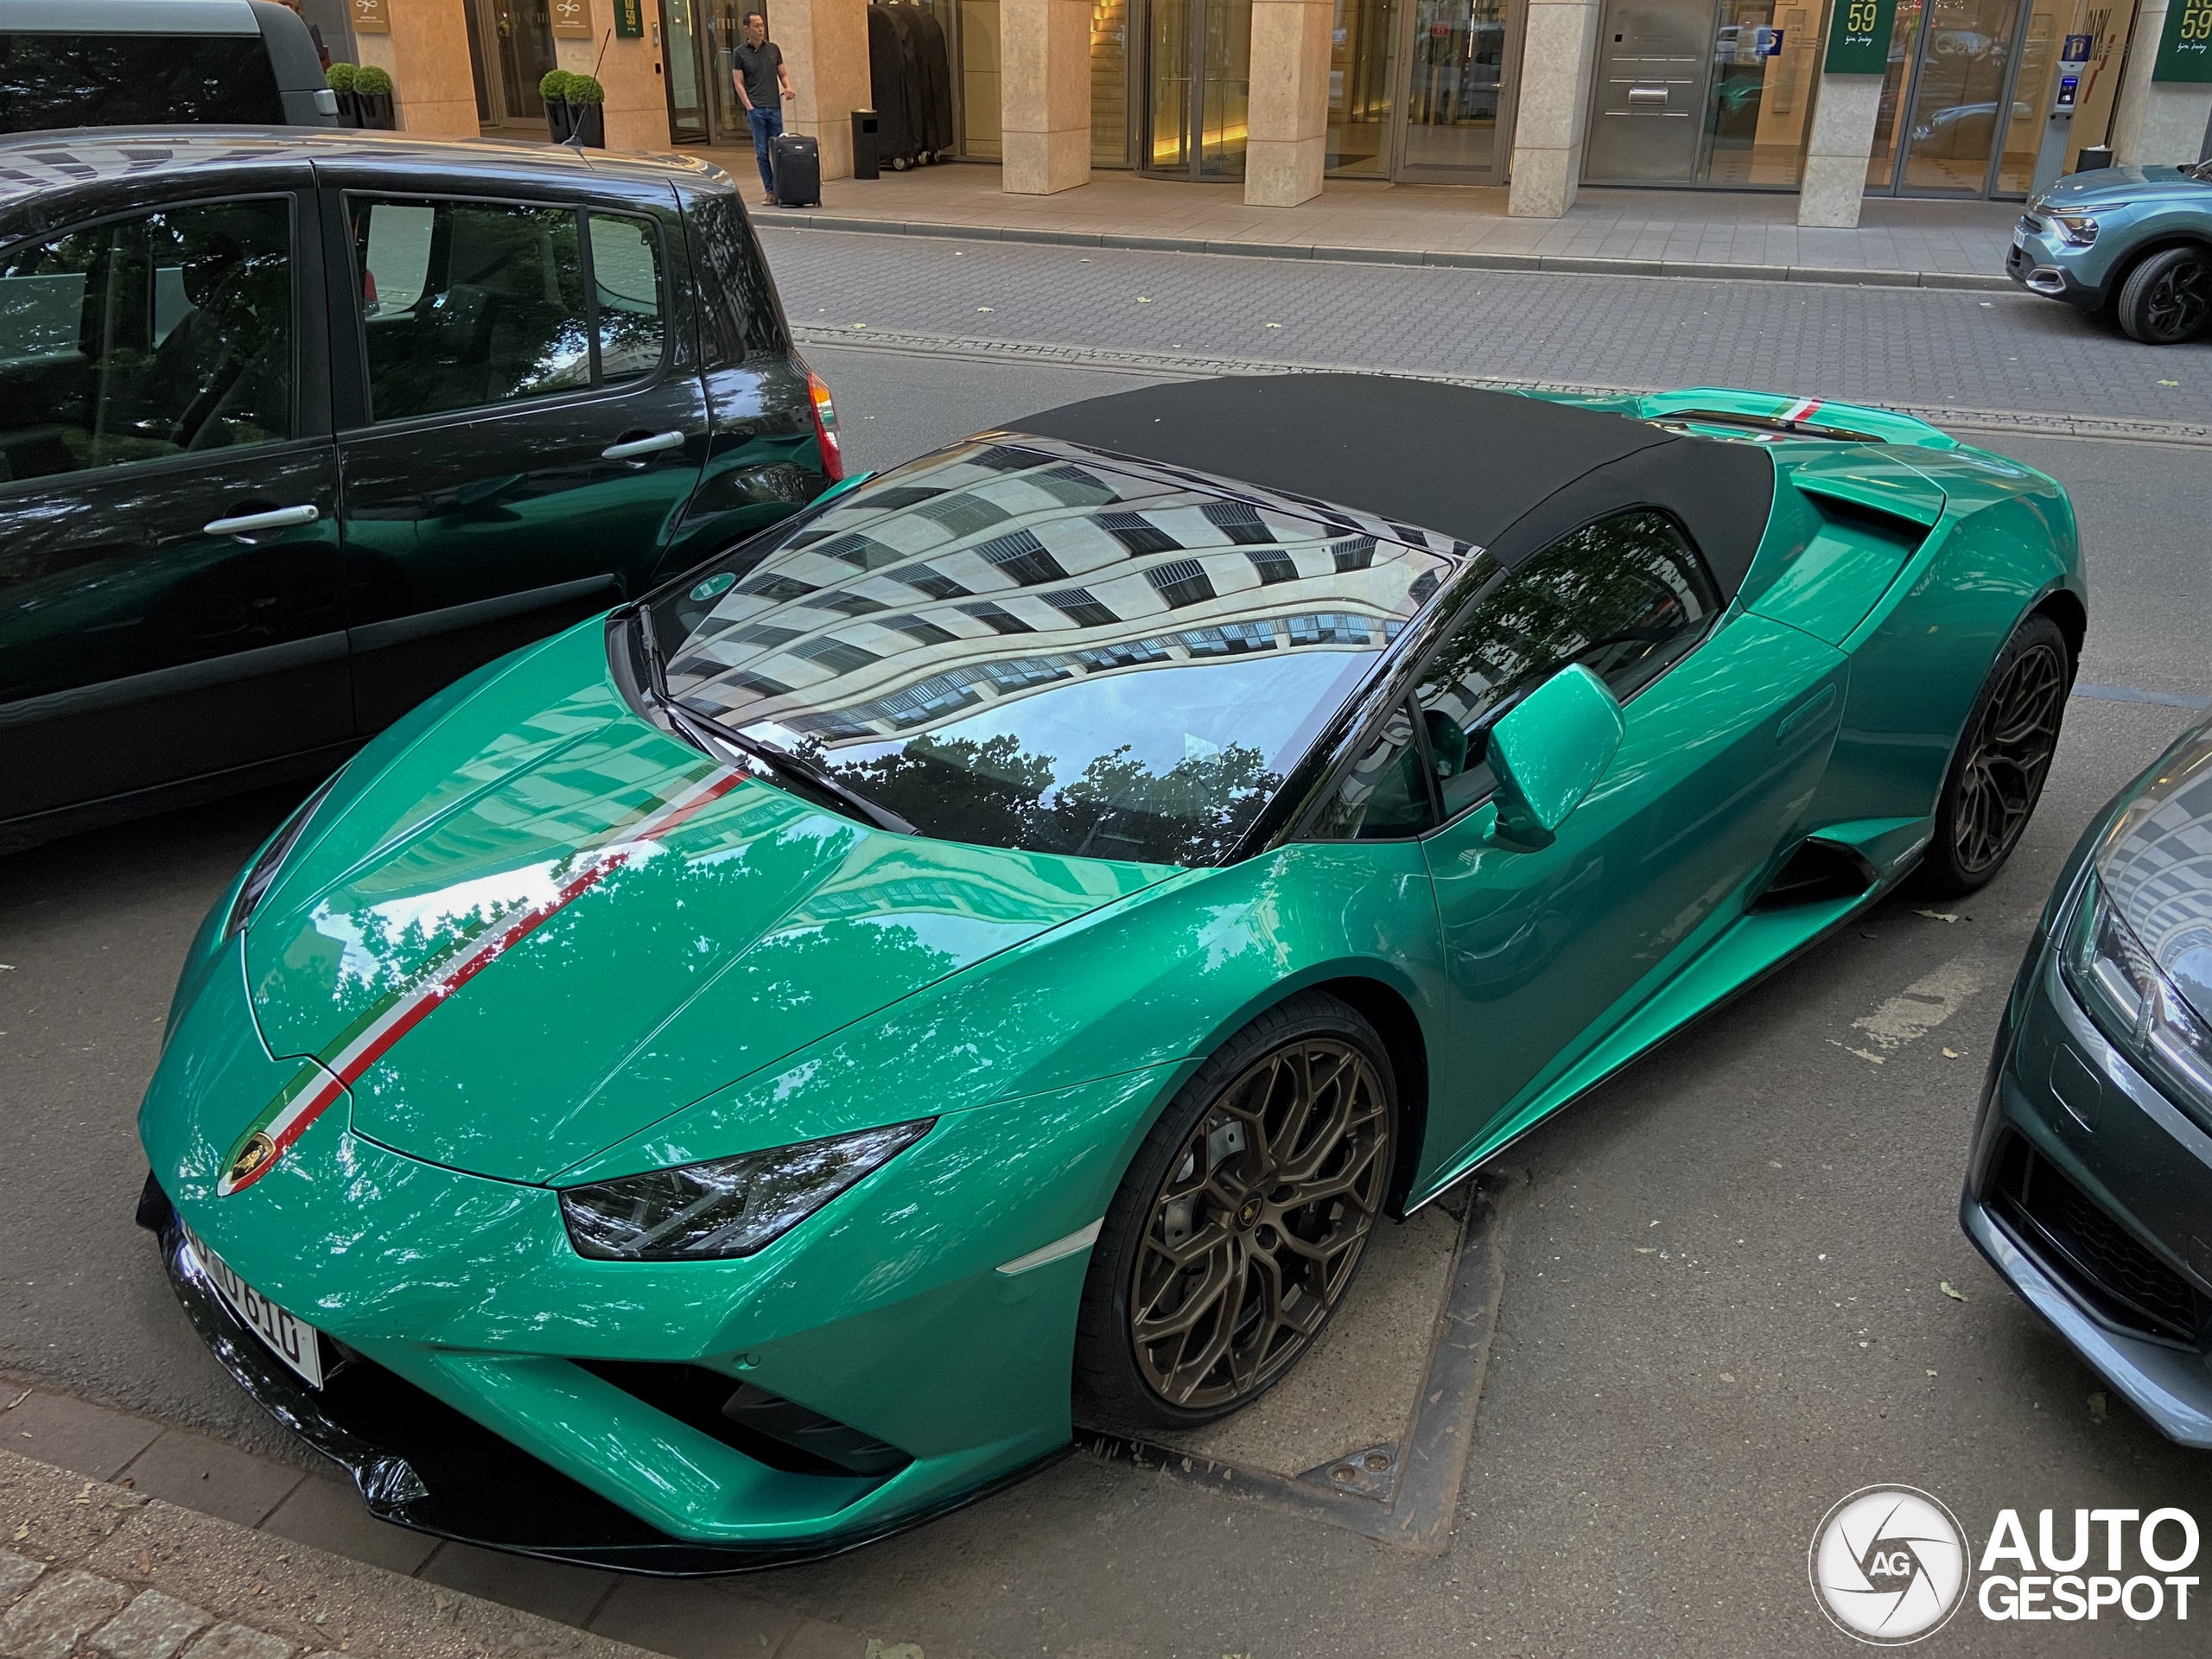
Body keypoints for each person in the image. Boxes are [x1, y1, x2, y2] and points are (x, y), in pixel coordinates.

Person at [732, 12, 795, 207]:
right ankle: (770, 191)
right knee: (761, 152)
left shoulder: (773, 49)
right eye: (756, 26)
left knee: (779, 149)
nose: (761, 29)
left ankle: (784, 189)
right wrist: (749, 107)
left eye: (762, 25)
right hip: (756, 109)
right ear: (746, 29)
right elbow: (738, 83)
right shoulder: (740, 53)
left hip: (774, 107)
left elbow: (782, 73)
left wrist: (788, 86)